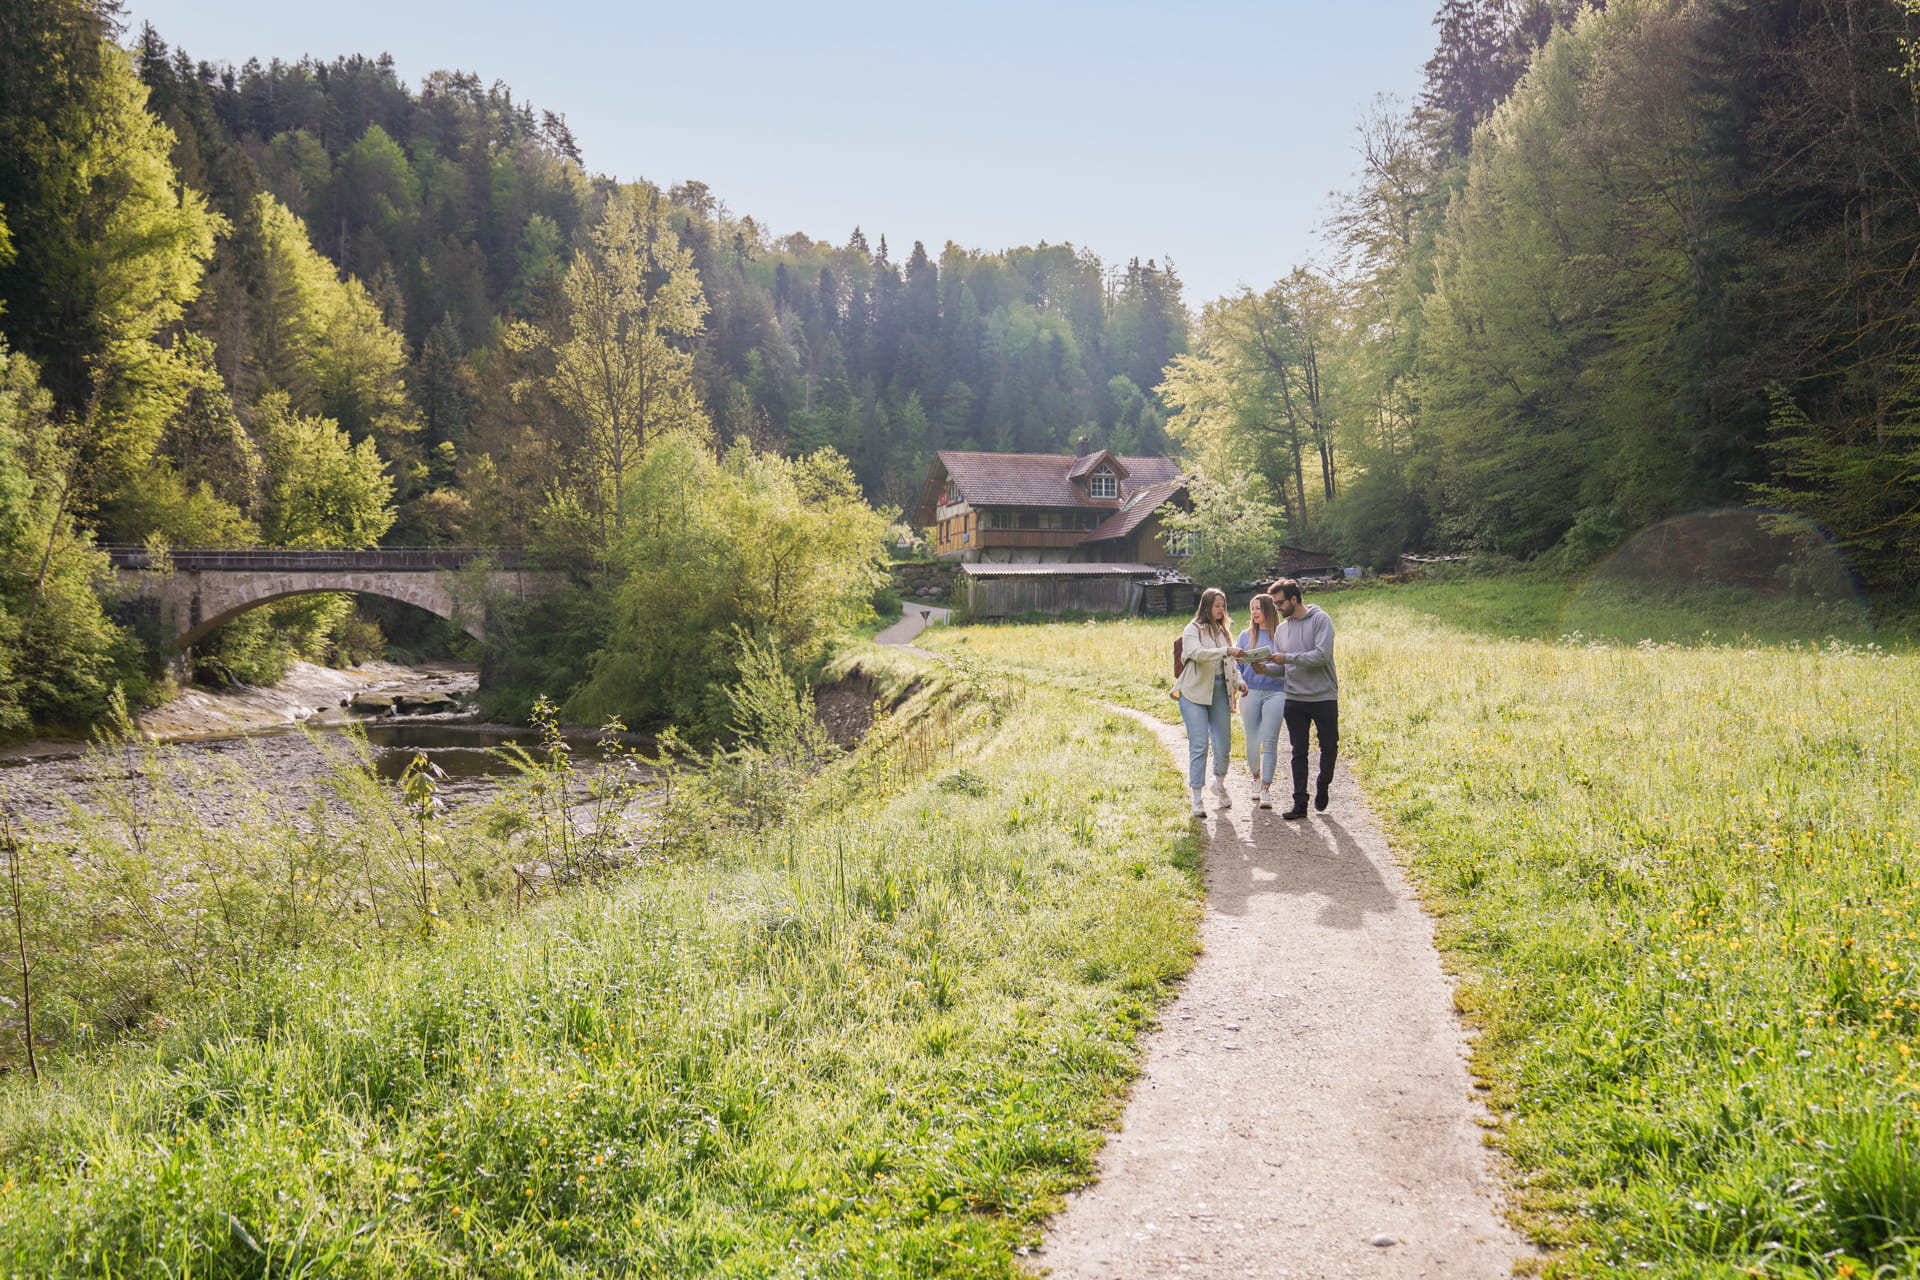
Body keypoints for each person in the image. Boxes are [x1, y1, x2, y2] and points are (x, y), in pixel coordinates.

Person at [1269, 578, 1337, 820]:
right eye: (1275, 603)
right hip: (1294, 698)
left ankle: (1323, 783)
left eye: (1280, 603)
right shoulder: (1282, 629)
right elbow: (1283, 668)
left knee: (1329, 747)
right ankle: (1300, 802)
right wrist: (1264, 669)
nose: (1277, 607)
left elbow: (1321, 655)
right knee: (1298, 750)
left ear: (1294, 599)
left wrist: (1287, 657)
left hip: (1323, 696)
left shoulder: (1320, 619)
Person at [1176, 587, 1246, 817]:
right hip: (1193, 693)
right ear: (1206, 606)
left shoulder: (1224, 632)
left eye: (1223, 605)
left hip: (1219, 691)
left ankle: (1219, 784)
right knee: (1199, 744)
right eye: (1217, 605)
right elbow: (1197, 653)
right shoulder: (1192, 629)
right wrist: (1226, 650)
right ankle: (1197, 798)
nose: (1221, 609)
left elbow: (1231, 665)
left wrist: (1239, 683)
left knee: (1223, 743)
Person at [1236, 593, 1286, 810]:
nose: (1255, 612)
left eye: (1259, 608)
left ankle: (1266, 788)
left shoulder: (1282, 635)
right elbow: (1236, 666)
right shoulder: (1245, 636)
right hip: (1250, 692)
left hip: (1276, 692)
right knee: (1252, 739)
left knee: (1271, 740)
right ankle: (1255, 778)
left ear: (1269, 610)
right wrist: (1239, 683)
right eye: (1252, 609)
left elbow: (1289, 664)